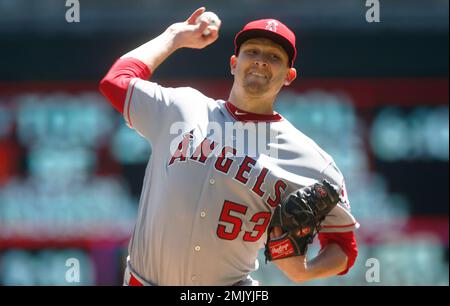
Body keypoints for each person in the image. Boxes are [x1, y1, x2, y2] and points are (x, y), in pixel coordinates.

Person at [99, 7, 359, 286]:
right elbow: (116, 82)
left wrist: (304, 272)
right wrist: (174, 36)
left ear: (288, 76)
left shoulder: (311, 161)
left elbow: (344, 247)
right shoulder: (183, 108)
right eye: (253, 52)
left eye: (274, 57)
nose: (261, 61)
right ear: (234, 63)